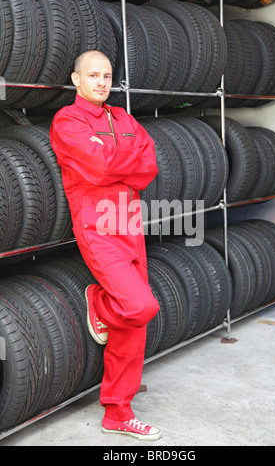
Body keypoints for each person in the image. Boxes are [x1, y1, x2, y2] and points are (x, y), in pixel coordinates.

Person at [50, 50, 161, 441]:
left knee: (134, 327)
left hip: (130, 225)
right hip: (97, 227)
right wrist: (120, 161)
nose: (101, 81)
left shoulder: (123, 119)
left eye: (107, 75)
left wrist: (116, 158)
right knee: (140, 306)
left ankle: (118, 411)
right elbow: (97, 167)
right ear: (76, 80)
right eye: (93, 75)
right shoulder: (67, 121)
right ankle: (98, 300)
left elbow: (150, 165)